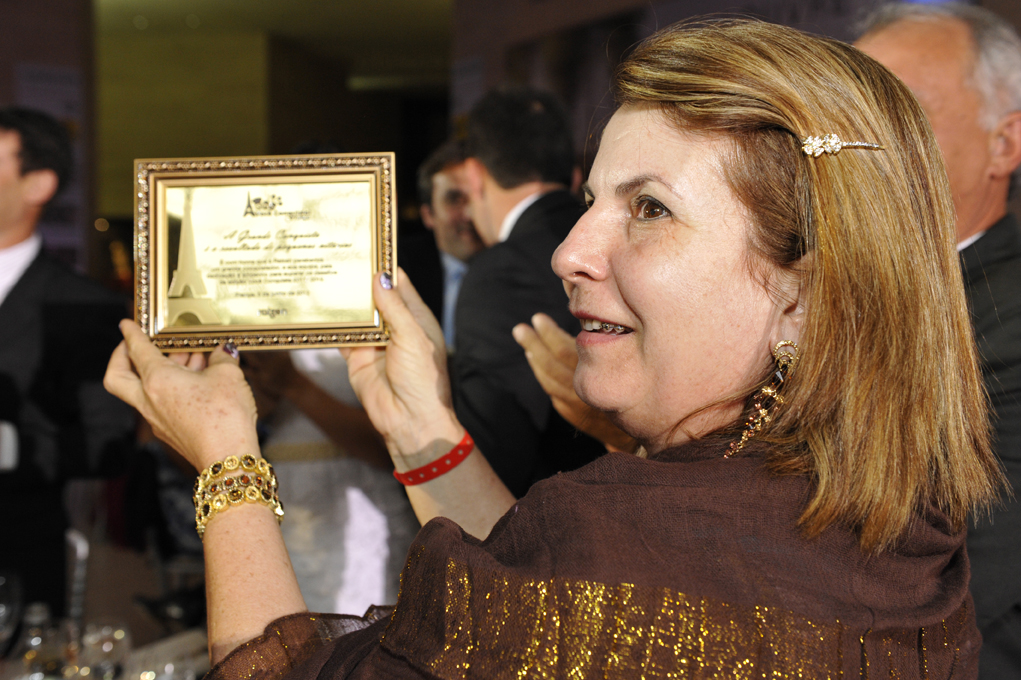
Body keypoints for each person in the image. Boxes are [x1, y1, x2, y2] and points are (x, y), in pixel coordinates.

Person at [105, 19, 1002, 678]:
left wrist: (225, 459)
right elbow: (531, 623)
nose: (570, 252)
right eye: (590, 201)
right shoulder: (893, 525)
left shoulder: (631, 540)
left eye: (648, 208)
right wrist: (418, 426)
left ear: (803, 295)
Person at [854, 5, 1021, 676]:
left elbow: (952, 593)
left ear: (1004, 144)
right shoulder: (816, 289)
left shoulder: (1006, 323)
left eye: (902, 113)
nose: (863, 144)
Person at [0, 107, 134, 615]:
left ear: (38, 185)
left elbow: (107, 443)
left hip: (16, 561)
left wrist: (11, 446)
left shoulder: (82, 305)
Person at [452, 88, 605, 497]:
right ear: (575, 175)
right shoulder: (617, 246)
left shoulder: (497, 274)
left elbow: (496, 455)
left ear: (473, 176)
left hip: (553, 516)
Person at [416, 139, 484, 349]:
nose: (469, 213)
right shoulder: (400, 273)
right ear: (428, 214)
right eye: (455, 199)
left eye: (477, 197)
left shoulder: (522, 271)